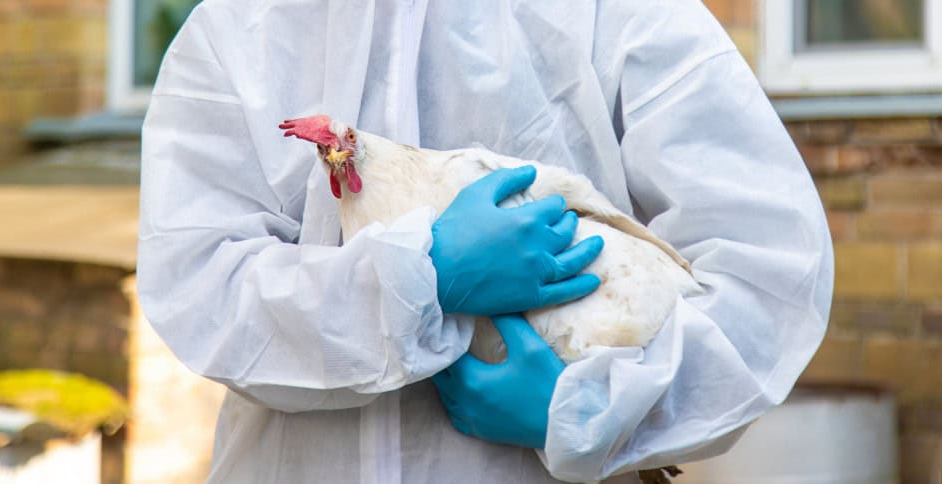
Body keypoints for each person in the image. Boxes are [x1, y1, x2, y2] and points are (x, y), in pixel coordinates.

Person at [137, 1, 834, 482]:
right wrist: (420, 278)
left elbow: (767, 269)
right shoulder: (236, 30)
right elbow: (202, 285)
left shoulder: (618, 12)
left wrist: (593, 409)